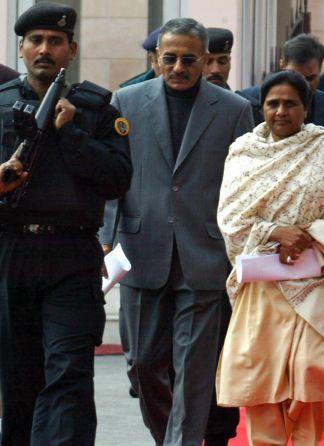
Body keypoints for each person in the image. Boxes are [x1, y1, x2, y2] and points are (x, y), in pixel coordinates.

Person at [99, 18, 254, 446]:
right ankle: (169, 435)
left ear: (205, 60)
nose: (179, 67)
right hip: (141, 248)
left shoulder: (234, 109)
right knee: (143, 365)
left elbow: (245, 184)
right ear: (156, 59)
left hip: (205, 253)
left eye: (189, 59)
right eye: (170, 58)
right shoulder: (126, 101)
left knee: (194, 369)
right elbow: (115, 176)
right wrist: (106, 235)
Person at [0, 2, 132, 445]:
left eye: (55, 41)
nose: (44, 49)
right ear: (21, 48)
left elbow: (118, 179)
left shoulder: (94, 108)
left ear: (70, 50)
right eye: (35, 40)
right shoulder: (0, 105)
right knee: (18, 380)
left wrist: (71, 134)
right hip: (12, 252)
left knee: (70, 369)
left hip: (72, 258)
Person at [216, 70, 324, 445]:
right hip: (262, 291)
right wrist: (273, 232)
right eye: (273, 104)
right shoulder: (243, 152)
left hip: (313, 285)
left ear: (306, 108)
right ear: (262, 107)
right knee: (262, 385)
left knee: (310, 378)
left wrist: (308, 235)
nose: (281, 111)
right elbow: (230, 217)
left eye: (290, 104)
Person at [201, 24, 241, 446]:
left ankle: (218, 433)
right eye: (208, 60)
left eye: (222, 61)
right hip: (176, 249)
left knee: (225, 351)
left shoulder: (245, 109)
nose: (215, 69)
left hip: (229, 254)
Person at [238, 33, 324, 136]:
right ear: (282, 65)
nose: (303, 86)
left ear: (321, 69)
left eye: (310, 78)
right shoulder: (246, 103)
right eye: (296, 77)